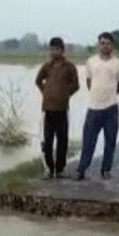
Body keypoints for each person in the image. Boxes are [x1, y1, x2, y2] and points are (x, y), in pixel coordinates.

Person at [76, 32, 119, 180]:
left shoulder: (118, 63)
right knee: (88, 141)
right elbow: (89, 82)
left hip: (111, 108)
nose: (105, 46)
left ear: (112, 46)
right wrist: (97, 96)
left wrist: (109, 95)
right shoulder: (91, 61)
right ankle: (81, 169)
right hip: (94, 108)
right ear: (98, 45)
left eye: (108, 44)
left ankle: (106, 169)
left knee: (110, 140)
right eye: (102, 43)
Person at [35, 37, 79, 179]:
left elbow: (76, 85)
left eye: (57, 49)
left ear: (62, 51)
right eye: (52, 49)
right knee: (47, 141)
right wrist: (46, 92)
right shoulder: (46, 67)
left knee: (62, 141)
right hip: (48, 109)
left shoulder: (69, 67)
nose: (54, 52)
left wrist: (65, 94)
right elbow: (38, 81)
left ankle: (60, 169)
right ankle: (49, 168)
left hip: (62, 109)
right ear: (49, 51)